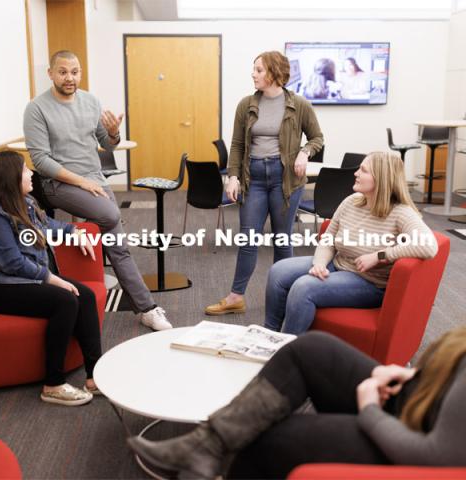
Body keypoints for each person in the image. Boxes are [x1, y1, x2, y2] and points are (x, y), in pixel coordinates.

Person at [127, 327, 466, 479]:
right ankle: (207, 446)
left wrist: (370, 411)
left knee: (268, 438)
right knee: (311, 348)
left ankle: (210, 451)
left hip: (417, 448)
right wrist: (419, 376)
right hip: (420, 400)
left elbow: (439, 456)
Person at [23, 50, 171, 331]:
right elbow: (41, 160)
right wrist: (81, 182)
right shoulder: (37, 108)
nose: (70, 77)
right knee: (110, 214)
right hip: (58, 184)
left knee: (119, 246)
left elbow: (108, 144)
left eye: (75, 72)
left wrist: (114, 132)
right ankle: (143, 305)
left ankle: (146, 308)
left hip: (94, 181)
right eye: (63, 72)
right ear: (51, 74)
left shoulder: (91, 101)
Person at [265, 151, 438, 334]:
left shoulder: (401, 213)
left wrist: (380, 256)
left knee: (303, 287)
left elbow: (429, 245)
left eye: (363, 170)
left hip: (369, 282)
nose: (355, 173)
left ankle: (284, 348)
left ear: (381, 178)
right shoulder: (351, 202)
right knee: (278, 271)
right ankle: (268, 335)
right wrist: (320, 264)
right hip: (339, 264)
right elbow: (328, 240)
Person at [205, 51, 323, 315]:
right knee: (248, 239)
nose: (253, 74)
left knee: (282, 240)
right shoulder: (246, 104)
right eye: (254, 69)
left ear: (273, 73)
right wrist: (232, 177)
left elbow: (317, 138)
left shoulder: (299, 104)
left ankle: (287, 296)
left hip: (285, 181)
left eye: (258, 70)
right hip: (254, 179)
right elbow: (237, 144)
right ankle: (236, 297)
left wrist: (304, 152)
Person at [0, 151, 101, 406]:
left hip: (24, 279)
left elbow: (47, 225)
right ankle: (53, 384)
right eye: (25, 170)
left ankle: (94, 376)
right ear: (10, 178)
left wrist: (73, 230)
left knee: (87, 296)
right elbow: (11, 263)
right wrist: (51, 278)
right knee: (66, 301)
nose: (31, 174)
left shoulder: (25, 202)